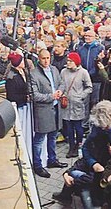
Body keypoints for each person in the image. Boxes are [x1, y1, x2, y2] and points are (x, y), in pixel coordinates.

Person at [53, 100, 111, 207]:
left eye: (104, 127)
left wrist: (74, 177)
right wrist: (68, 172)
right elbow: (86, 150)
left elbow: (100, 175)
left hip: (102, 182)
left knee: (80, 180)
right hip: (96, 170)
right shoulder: (100, 130)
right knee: (75, 173)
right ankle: (66, 194)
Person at [31, 48, 67, 178]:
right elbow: (35, 95)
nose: (46, 61)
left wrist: (60, 92)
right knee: (39, 139)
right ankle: (38, 165)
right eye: (43, 58)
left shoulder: (54, 70)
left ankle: (52, 159)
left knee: (53, 136)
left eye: (48, 58)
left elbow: (62, 83)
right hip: (43, 110)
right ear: (39, 59)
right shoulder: (33, 74)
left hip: (56, 108)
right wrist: (51, 96)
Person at [59, 51, 92, 158]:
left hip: (77, 104)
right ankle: (71, 147)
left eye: (70, 61)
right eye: (67, 60)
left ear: (76, 62)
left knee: (78, 127)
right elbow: (61, 84)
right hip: (66, 104)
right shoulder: (63, 72)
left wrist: (81, 96)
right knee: (68, 128)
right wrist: (61, 93)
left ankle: (78, 145)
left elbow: (89, 87)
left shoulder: (83, 72)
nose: (68, 62)